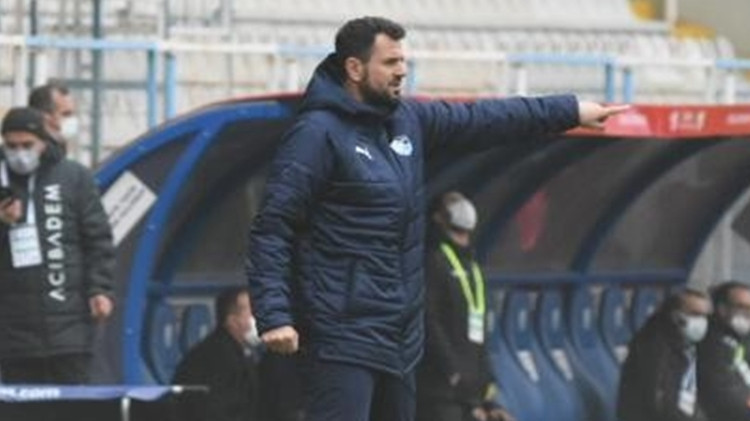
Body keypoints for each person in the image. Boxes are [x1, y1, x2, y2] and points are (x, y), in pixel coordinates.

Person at [245, 16, 627, 421]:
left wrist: (569, 111)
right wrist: (274, 315)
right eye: (390, 62)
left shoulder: (406, 121)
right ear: (354, 68)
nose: (402, 70)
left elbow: (487, 119)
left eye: (403, 61)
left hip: (398, 339)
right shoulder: (317, 133)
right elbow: (272, 227)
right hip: (341, 335)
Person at [0, 107, 114, 384]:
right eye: (11, 146)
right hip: (13, 333)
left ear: (43, 142)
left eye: (27, 145)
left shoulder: (73, 177)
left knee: (73, 401)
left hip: (70, 330)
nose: (19, 153)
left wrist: (100, 288)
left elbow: (98, 239)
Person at [417, 192, 514, 421]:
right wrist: (454, 374)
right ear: (438, 219)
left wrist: (487, 394)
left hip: (469, 391)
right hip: (441, 393)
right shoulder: (432, 262)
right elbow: (429, 323)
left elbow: (479, 335)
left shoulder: (471, 266)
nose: (464, 238)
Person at [617, 288, 711, 421]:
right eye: (695, 314)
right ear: (676, 315)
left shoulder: (685, 345)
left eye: (705, 316)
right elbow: (661, 404)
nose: (702, 321)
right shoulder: (654, 346)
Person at [173, 287, 261, 421]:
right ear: (232, 321)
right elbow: (214, 410)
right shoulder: (214, 357)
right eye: (252, 313)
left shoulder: (241, 352)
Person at [698, 281, 750, 421]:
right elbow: (729, 397)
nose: (748, 313)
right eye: (741, 307)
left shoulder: (738, 338)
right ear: (722, 309)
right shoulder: (712, 344)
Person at [29, 80, 79, 152]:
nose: (72, 119)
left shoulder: (59, 146)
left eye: (73, 114)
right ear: (45, 115)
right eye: (66, 114)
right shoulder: (37, 150)